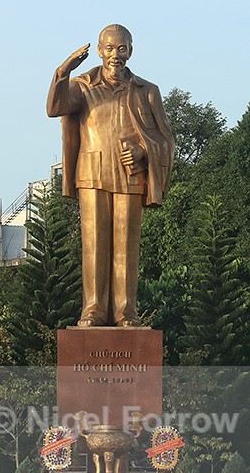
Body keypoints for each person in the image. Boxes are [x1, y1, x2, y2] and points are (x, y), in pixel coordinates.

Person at [47, 24, 174, 327]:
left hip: (130, 174)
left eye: (122, 48)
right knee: (93, 244)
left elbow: (166, 138)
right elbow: (54, 108)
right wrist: (64, 70)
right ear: (101, 50)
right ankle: (93, 308)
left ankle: (125, 311)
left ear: (130, 50)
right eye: (109, 48)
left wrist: (145, 151)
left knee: (126, 247)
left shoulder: (148, 91)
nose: (115, 55)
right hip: (91, 172)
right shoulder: (83, 86)